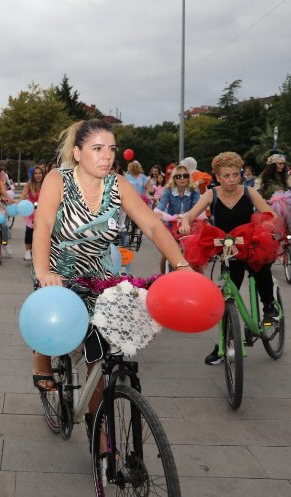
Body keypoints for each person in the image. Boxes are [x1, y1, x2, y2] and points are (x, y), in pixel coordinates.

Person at [32, 119, 190, 427]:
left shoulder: (117, 184)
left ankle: (101, 438)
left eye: (111, 149)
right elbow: (43, 225)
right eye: (97, 149)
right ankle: (41, 354)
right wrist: (43, 270)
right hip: (59, 269)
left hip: (101, 273)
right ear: (77, 153)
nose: (107, 156)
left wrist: (181, 265)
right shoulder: (58, 179)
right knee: (50, 315)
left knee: (99, 354)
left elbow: (153, 225)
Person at [180, 152, 277, 365]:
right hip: (226, 248)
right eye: (226, 175)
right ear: (217, 177)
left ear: (240, 175)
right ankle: (222, 345)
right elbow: (191, 213)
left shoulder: (250, 192)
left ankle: (270, 307)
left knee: (261, 268)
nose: (231, 179)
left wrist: (268, 223)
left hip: (250, 244)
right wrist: (186, 221)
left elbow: (269, 214)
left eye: (235, 174)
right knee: (226, 296)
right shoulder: (211, 194)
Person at [154, 163, 200, 273]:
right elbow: (160, 208)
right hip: (172, 226)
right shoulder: (168, 190)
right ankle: (162, 277)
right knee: (166, 253)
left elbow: (197, 208)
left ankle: (200, 280)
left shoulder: (195, 190)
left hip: (190, 226)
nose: (182, 178)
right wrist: (158, 213)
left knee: (195, 256)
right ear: (174, 178)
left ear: (189, 177)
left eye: (185, 175)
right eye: (178, 176)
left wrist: (184, 217)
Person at [20, 164, 44, 261]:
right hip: (31, 212)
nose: (38, 175)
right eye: (35, 173)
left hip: (43, 212)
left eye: (40, 173)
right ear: (32, 175)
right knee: (29, 231)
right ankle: (27, 251)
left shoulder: (46, 184)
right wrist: (24, 203)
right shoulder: (29, 185)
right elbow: (22, 197)